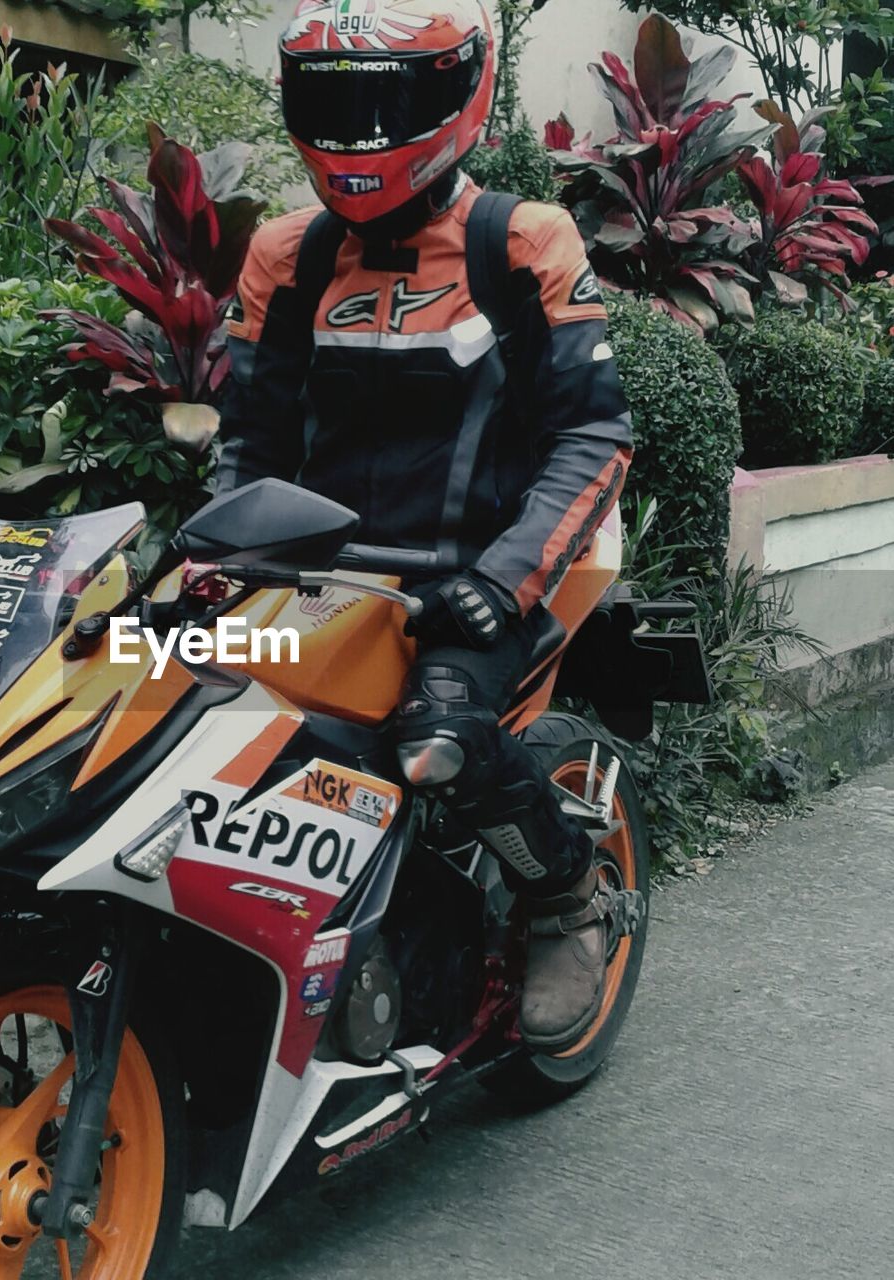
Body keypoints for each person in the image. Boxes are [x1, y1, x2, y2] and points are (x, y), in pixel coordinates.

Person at [214, 0, 634, 1052]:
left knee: (439, 736)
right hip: (313, 592)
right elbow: (246, 444)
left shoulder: (522, 239)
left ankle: (566, 897)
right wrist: (218, 565)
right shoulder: (282, 255)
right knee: (166, 689)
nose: (359, 135)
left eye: (386, 103)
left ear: (460, 92)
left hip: (480, 583)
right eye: (333, 104)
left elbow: (594, 440)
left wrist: (501, 581)